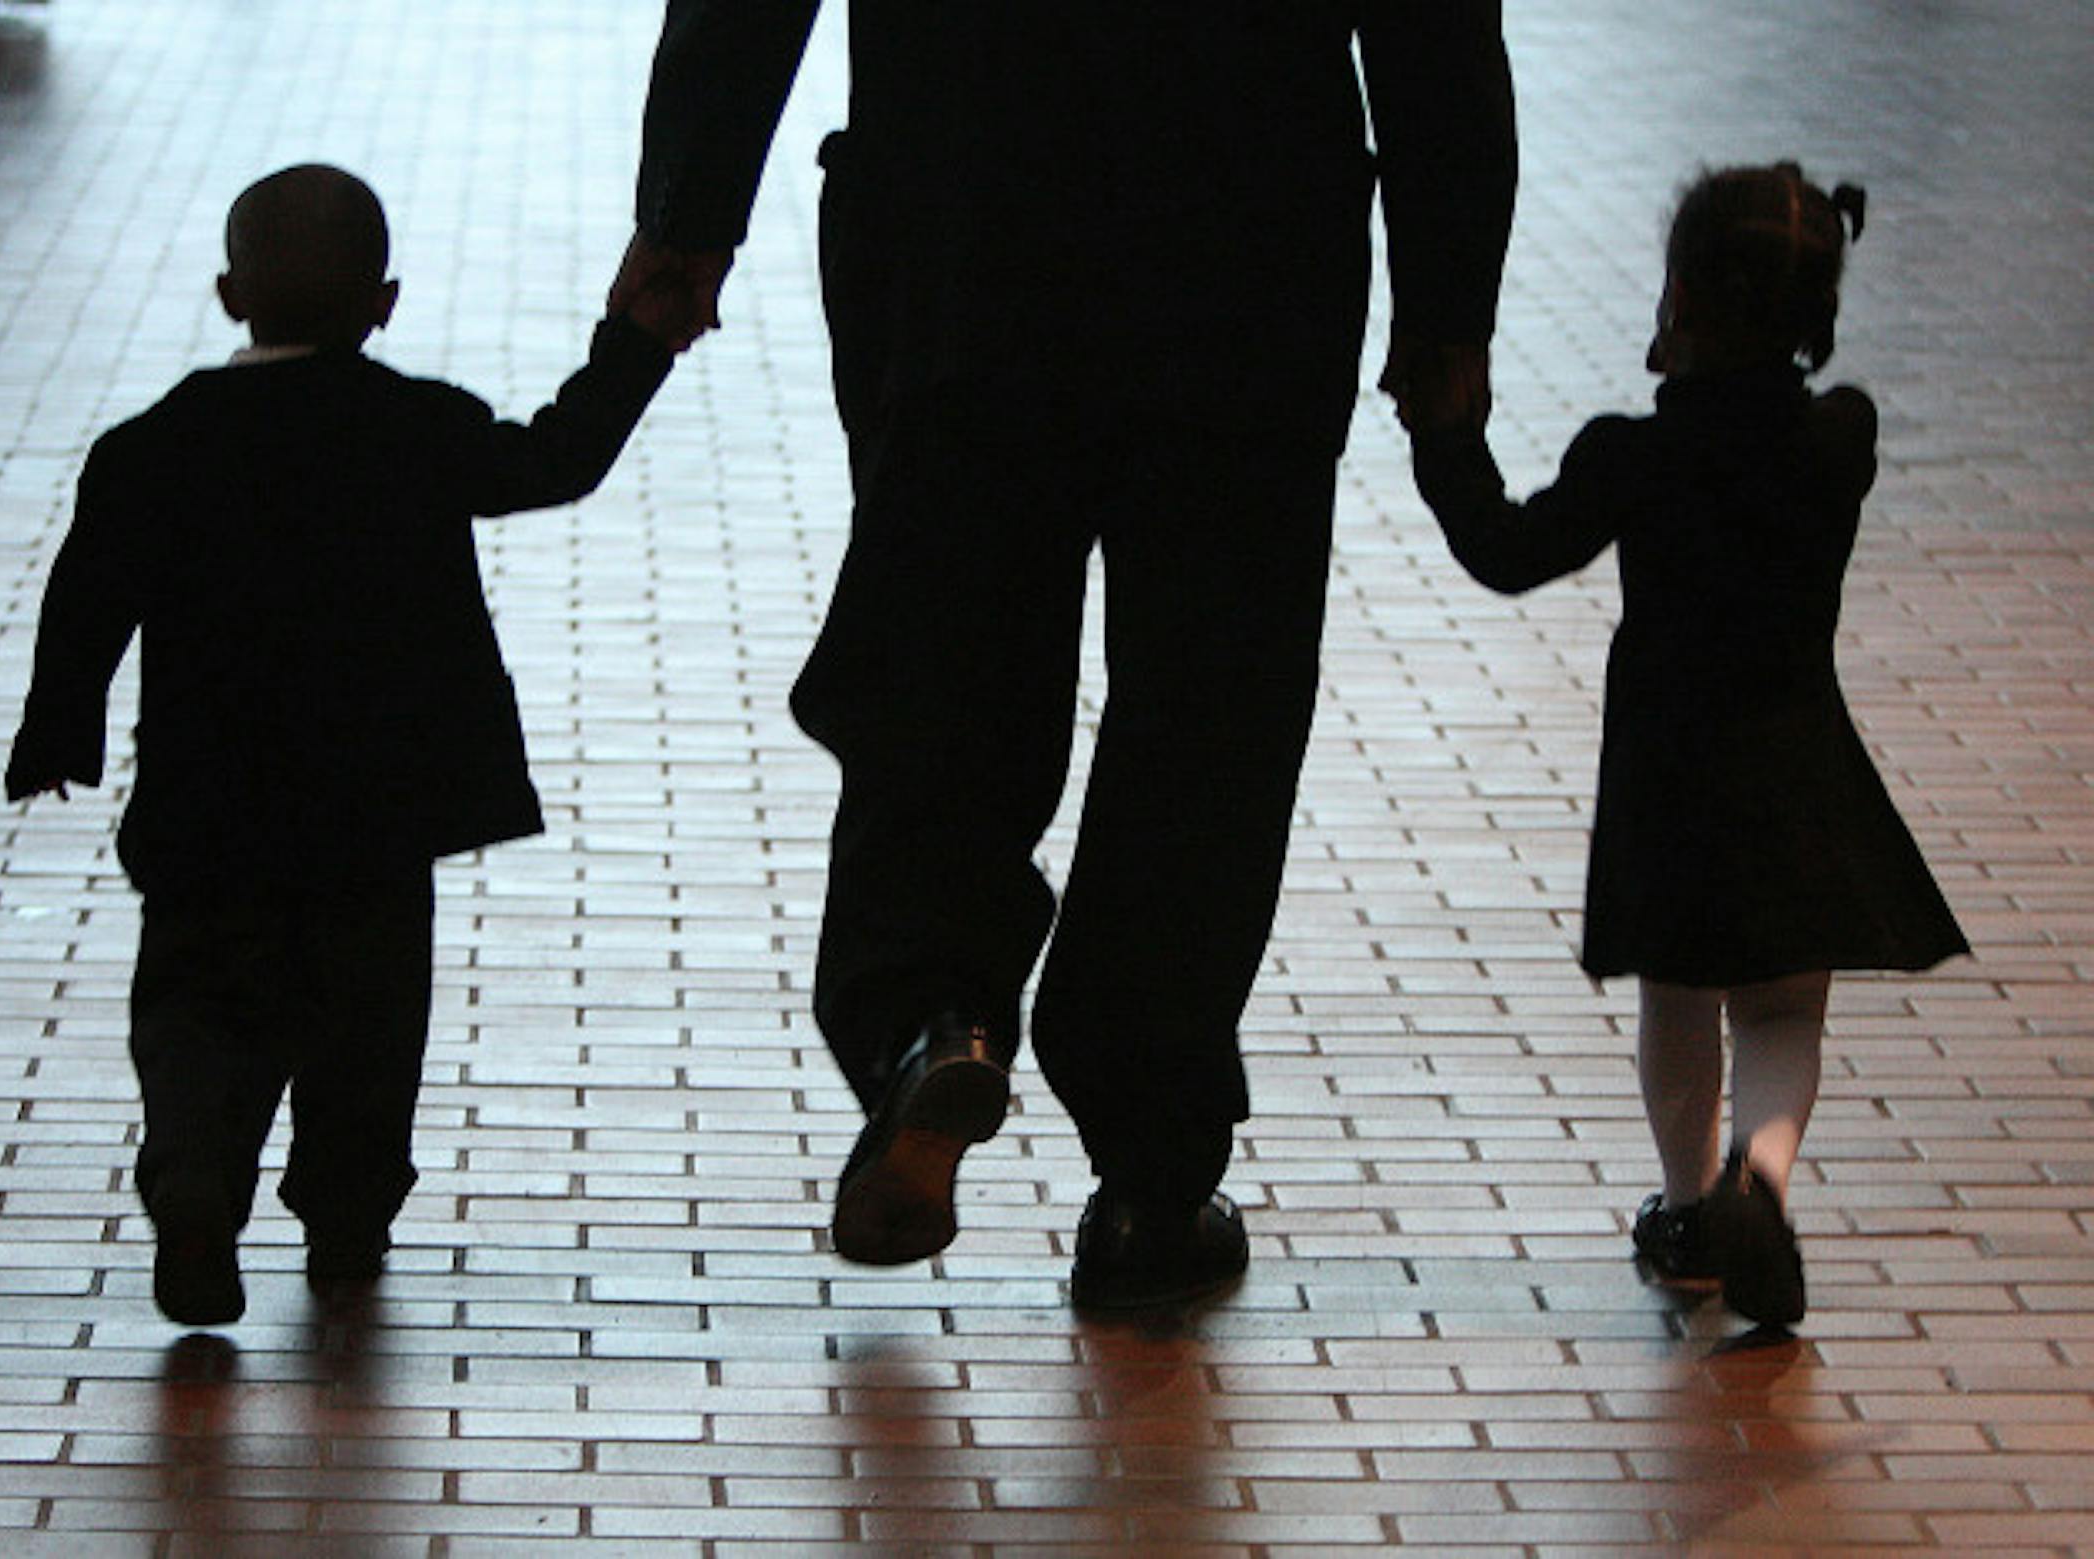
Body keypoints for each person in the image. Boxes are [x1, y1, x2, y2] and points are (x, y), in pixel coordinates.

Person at [612, 4, 1517, 1308]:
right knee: (1212, 709)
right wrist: (1448, 303)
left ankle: (935, 1014)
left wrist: (690, 211)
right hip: (1253, 248)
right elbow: (1437, 30)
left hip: (961, 223)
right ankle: (1153, 1175)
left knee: (948, 660)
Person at [6, 164, 678, 1327]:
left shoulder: (150, 447)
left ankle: (196, 1173)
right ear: (386, 300)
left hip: (205, 810)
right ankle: (346, 1218)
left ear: (230, 294)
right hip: (377, 809)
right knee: (367, 1023)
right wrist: (637, 343)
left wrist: (54, 729)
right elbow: (555, 458)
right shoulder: (417, 427)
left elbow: (87, 603)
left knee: (195, 1007)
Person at [1404, 162, 1969, 1328]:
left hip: (1670, 772)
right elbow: (1807, 413)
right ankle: (1757, 1177)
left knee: (1679, 996)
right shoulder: (1837, 438)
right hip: (1798, 760)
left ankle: (1683, 1210)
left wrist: (1447, 439)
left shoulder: (1632, 456)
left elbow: (1507, 551)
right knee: (1779, 1012)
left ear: (1680, 305)